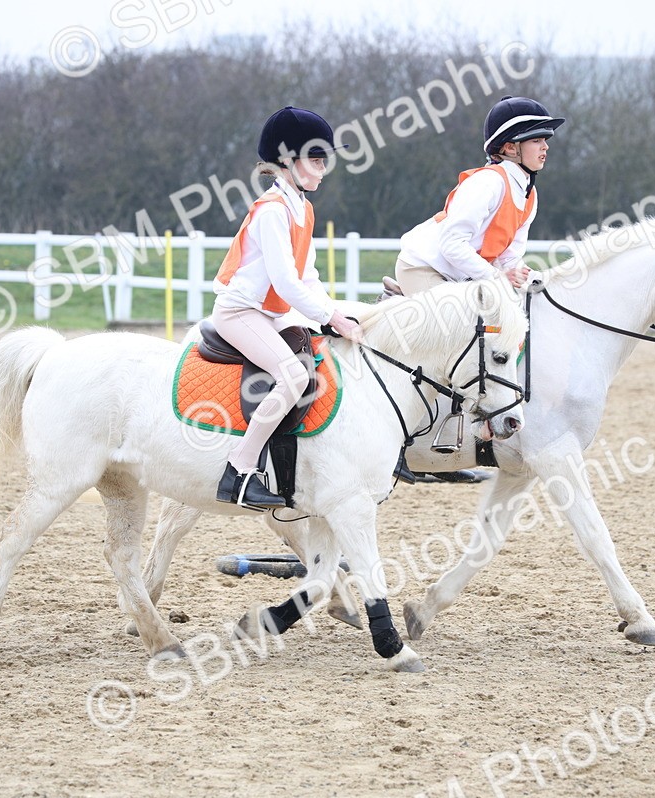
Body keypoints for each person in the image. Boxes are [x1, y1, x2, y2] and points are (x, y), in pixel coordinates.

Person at [211, 106, 362, 509]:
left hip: (271, 314)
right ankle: (239, 471)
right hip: (240, 313)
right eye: (316, 159)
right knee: (293, 376)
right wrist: (330, 316)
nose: (323, 169)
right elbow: (286, 283)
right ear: (287, 161)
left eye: (324, 160)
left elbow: (308, 277)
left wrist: (335, 316)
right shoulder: (273, 210)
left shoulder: (302, 208)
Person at [394, 96, 564, 296]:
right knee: (459, 315)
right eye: (536, 140)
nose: (545, 146)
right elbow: (452, 244)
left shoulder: (530, 194)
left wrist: (534, 278)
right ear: (510, 148)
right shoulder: (488, 183)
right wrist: (497, 277)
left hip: (460, 275)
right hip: (423, 267)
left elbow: (508, 258)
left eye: (545, 140)